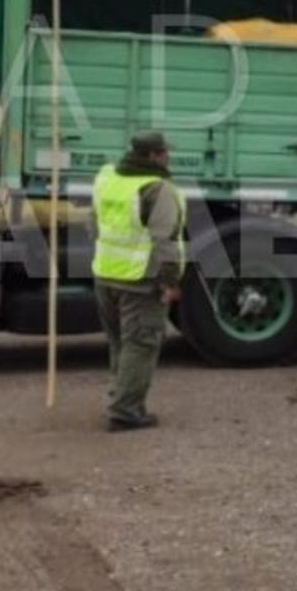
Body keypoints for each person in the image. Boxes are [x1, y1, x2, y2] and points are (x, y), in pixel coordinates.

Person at [92, 131, 186, 431]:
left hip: (106, 274)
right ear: (153, 156)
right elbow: (165, 241)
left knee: (121, 343)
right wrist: (170, 282)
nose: (167, 157)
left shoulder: (108, 179)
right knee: (141, 344)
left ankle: (119, 396)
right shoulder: (157, 189)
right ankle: (126, 411)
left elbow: (94, 220)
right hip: (139, 279)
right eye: (163, 153)